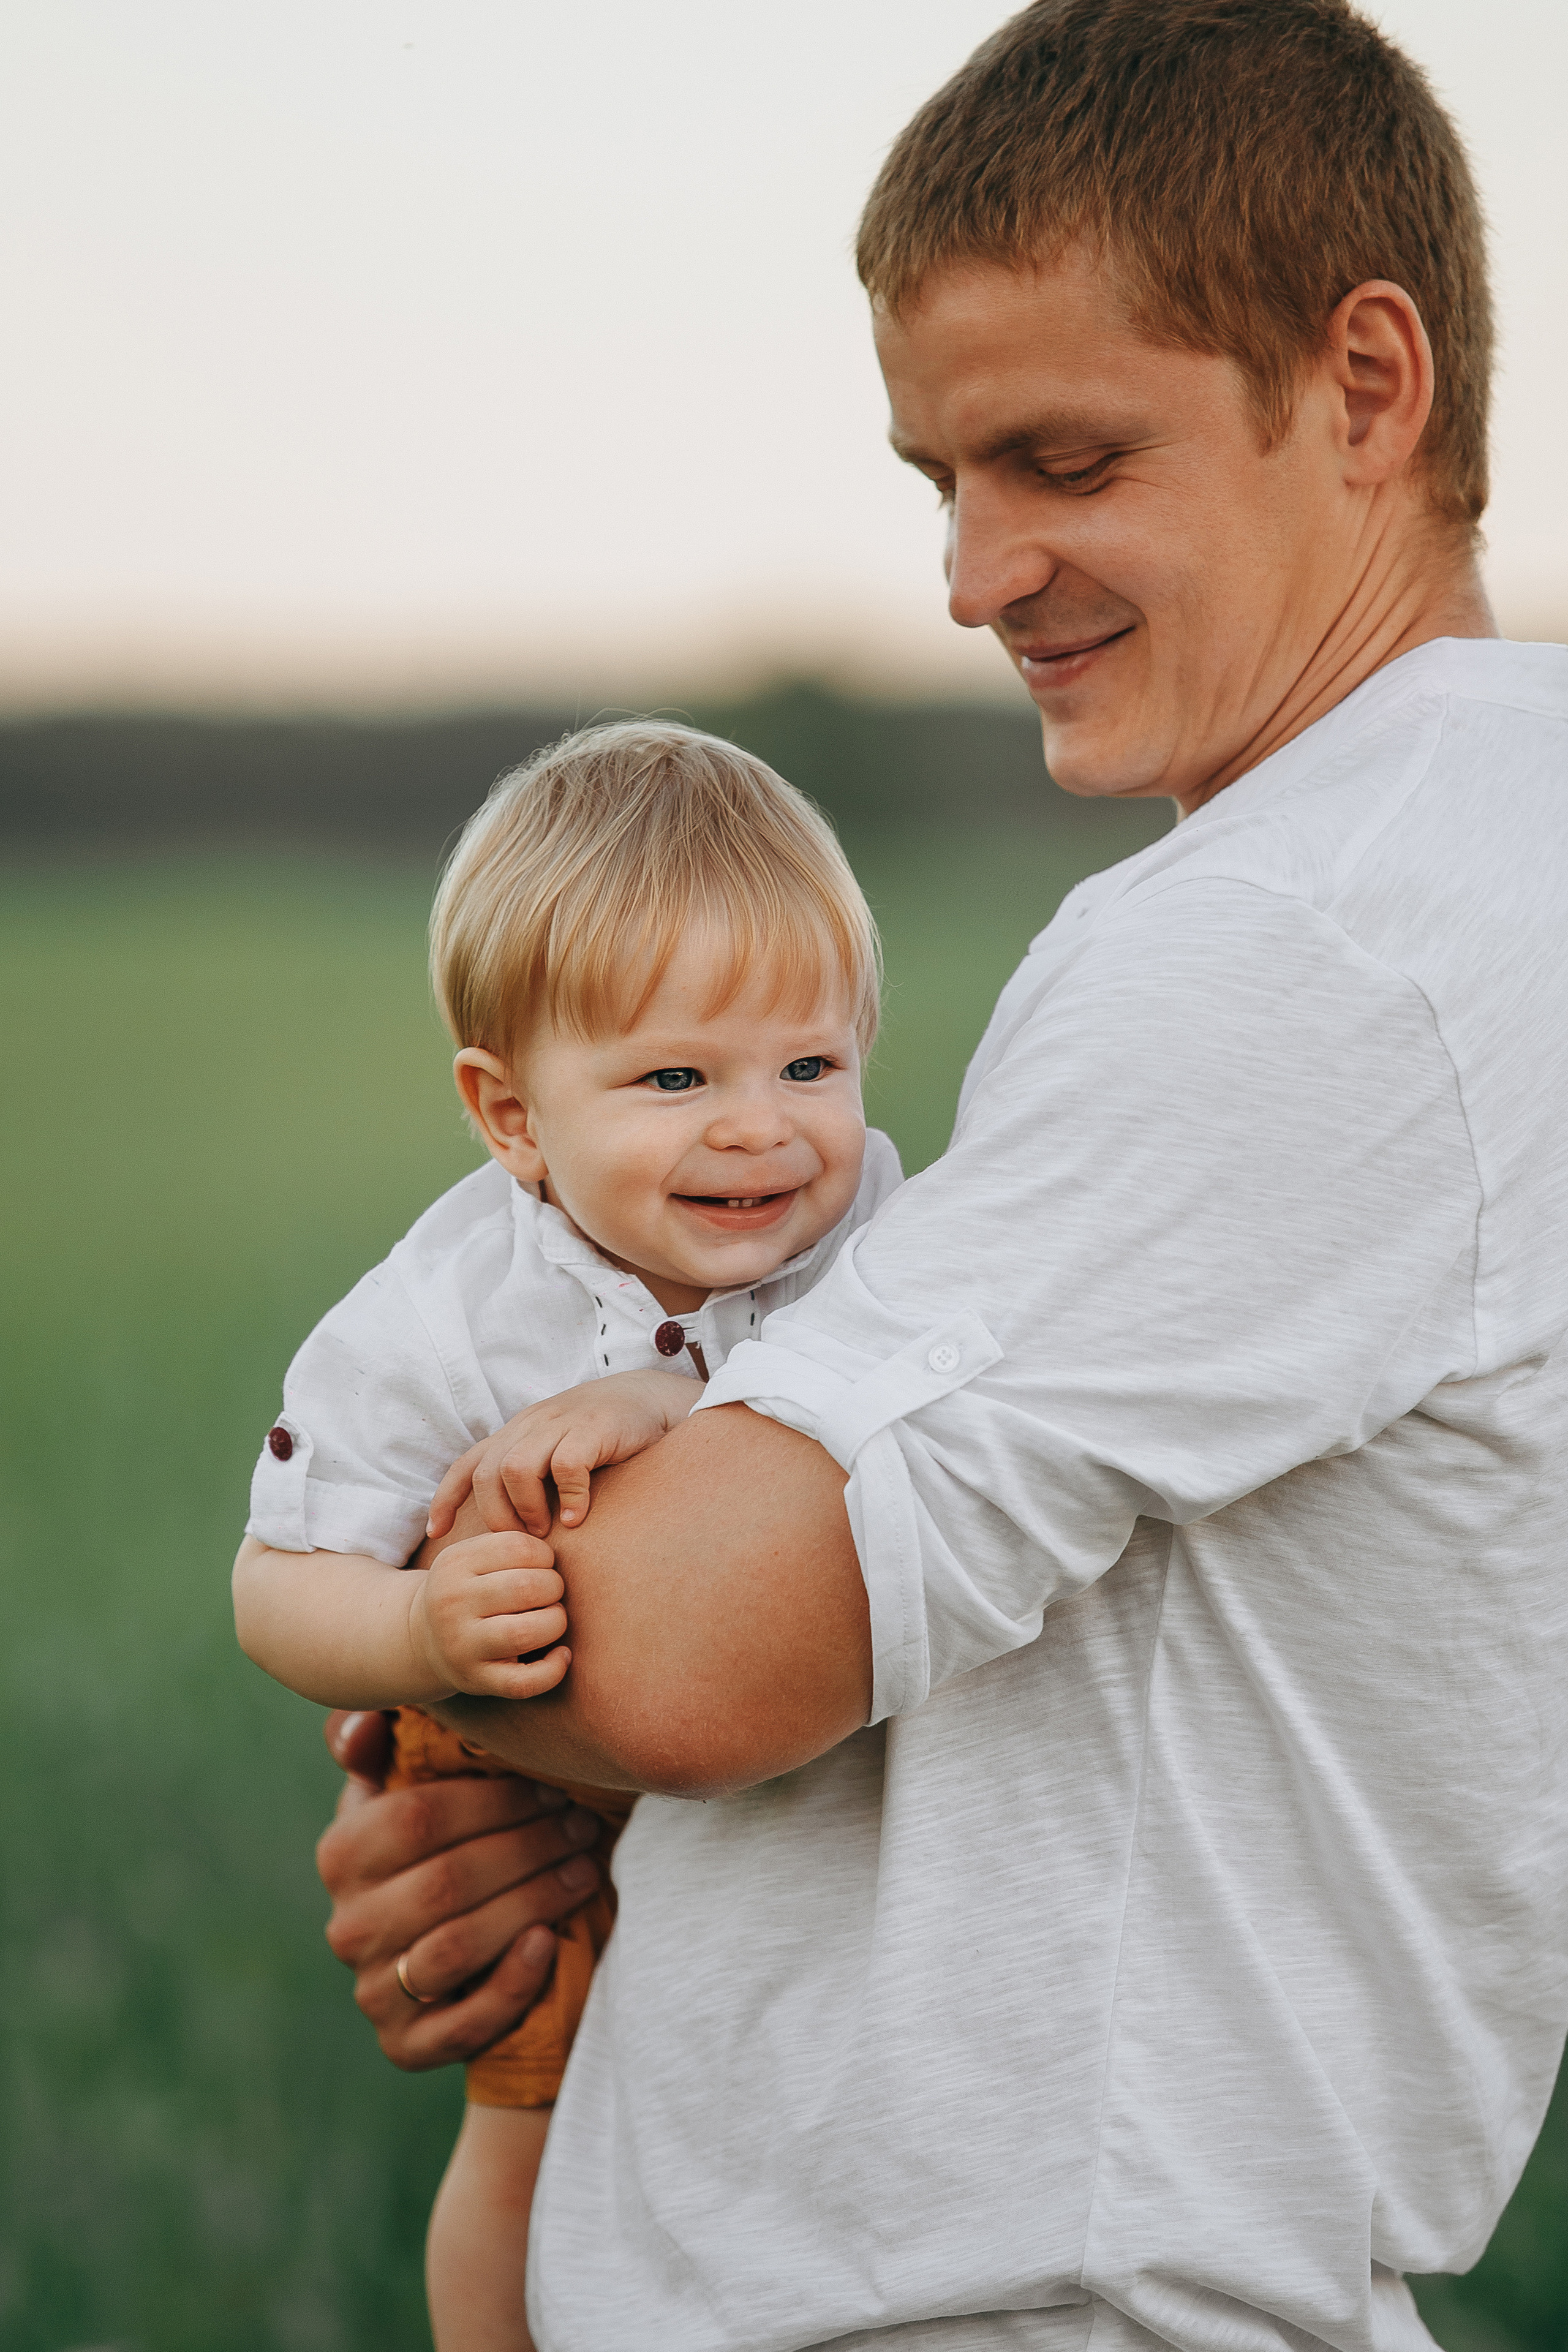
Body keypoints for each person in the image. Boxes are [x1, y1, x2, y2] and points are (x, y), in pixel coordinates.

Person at [312, 2, 1568, 2348]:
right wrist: (541, 1789)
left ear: (1369, 388)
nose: (977, 577)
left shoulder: (1310, 935)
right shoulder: (1481, 871)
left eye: (1065, 459)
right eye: (941, 480)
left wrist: (431, 1691)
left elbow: (691, 1641)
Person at [232, 718, 900, 2351]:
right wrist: (417, 1642)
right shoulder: (451, 1313)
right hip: (513, 1769)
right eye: (676, 1078)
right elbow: (276, 1583)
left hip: (779, 1771)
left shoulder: (882, 1230)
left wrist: (662, 1419)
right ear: (512, 1115)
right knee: (528, 2135)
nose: (761, 1127)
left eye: (808, 1065)